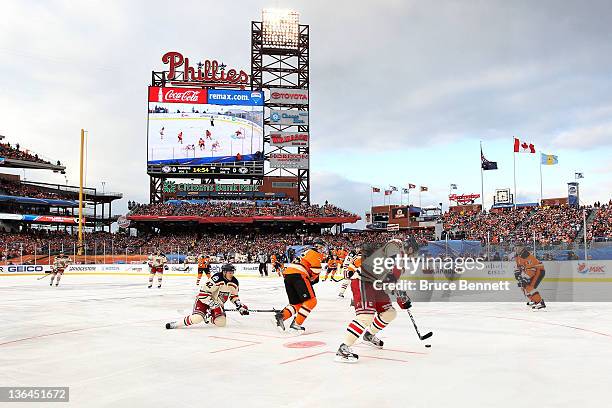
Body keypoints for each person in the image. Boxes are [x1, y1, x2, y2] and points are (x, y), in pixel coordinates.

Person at [335, 239, 414, 363]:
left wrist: (401, 297)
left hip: (376, 285)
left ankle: (369, 335)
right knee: (365, 316)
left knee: (390, 313)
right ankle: (343, 348)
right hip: (363, 282)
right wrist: (400, 296)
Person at [165, 263, 249, 329]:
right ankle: (175, 324)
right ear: (224, 272)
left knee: (221, 323)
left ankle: (208, 317)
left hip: (217, 304)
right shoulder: (216, 278)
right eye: (230, 272)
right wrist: (213, 304)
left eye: (232, 272)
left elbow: (234, 296)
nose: (232, 274)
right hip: (204, 301)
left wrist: (239, 305)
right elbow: (203, 294)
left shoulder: (234, 282)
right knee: (197, 319)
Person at [274, 238, 326, 333]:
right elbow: (316, 270)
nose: (322, 250)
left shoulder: (305, 252)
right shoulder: (314, 253)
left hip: (288, 275)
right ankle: (296, 324)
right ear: (317, 246)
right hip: (299, 275)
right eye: (322, 247)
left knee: (297, 303)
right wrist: (312, 279)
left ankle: (282, 316)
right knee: (311, 301)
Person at [514, 245, 546, 309]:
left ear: (522, 248)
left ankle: (540, 302)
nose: (516, 249)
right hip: (530, 271)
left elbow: (531, 270)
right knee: (523, 287)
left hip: (538, 271)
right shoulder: (517, 256)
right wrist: (517, 274)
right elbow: (518, 266)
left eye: (518, 247)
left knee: (529, 287)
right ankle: (534, 300)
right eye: (515, 247)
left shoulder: (528, 256)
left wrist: (525, 278)